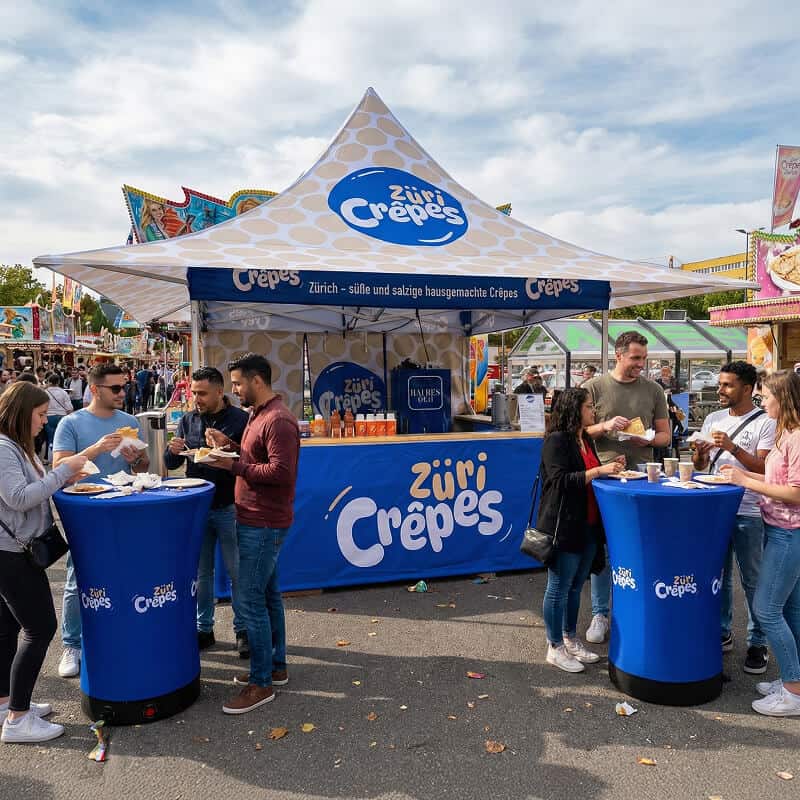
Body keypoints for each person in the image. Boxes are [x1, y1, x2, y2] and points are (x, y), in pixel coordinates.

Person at [204, 353, 300, 714]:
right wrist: (229, 447)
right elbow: (256, 459)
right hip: (254, 518)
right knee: (268, 595)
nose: (235, 390)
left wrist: (233, 465)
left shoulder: (279, 420)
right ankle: (275, 667)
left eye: (239, 384)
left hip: (263, 522)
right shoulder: (257, 415)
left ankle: (261, 683)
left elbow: (280, 472)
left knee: (249, 601)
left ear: (257, 381)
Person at [0, 382, 87, 743]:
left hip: (13, 550)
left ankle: (8, 702)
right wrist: (64, 473)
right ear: (22, 414)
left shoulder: (19, 447)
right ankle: (18, 719)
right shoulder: (5, 448)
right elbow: (19, 498)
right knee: (39, 629)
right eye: (39, 416)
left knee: (7, 628)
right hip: (11, 552)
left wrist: (62, 476)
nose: (43, 422)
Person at [52, 363, 150, 679]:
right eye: (116, 388)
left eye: (126, 387)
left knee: (126, 571)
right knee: (77, 575)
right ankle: (72, 644)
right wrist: (96, 449)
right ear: (95, 389)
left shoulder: (130, 421)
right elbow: (59, 467)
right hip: (85, 508)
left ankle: (120, 632)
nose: (124, 393)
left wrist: (139, 459)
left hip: (124, 506)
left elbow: (143, 466)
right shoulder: (71, 423)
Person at [583, 331, 671, 644]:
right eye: (635, 358)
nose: (640, 364)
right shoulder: (593, 387)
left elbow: (664, 437)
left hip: (644, 480)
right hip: (604, 481)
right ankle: (600, 614)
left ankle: (637, 609)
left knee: (642, 547)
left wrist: (642, 439)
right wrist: (605, 426)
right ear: (618, 355)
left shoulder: (654, 390)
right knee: (604, 549)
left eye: (643, 359)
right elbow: (579, 432)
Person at [721, 370, 800, 717]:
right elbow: (773, 477)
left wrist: (744, 480)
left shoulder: (796, 439)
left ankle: (793, 690)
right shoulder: (787, 434)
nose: (761, 401)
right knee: (790, 610)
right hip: (779, 530)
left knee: (767, 609)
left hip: (788, 533)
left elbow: (795, 493)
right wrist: (741, 475)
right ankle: (792, 681)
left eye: (766, 396)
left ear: (783, 399)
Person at [693, 362, 775, 674]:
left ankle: (758, 642)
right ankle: (723, 630)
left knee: (753, 579)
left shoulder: (766, 422)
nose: (720, 390)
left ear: (747, 387)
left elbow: (764, 469)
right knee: (719, 576)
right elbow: (702, 467)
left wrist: (732, 447)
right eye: (720, 384)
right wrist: (700, 452)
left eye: (727, 385)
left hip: (750, 511)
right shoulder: (713, 418)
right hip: (714, 509)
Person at [537, 388, 625, 672]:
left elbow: (590, 473)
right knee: (559, 587)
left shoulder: (584, 438)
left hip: (588, 523)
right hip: (564, 524)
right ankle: (554, 646)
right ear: (573, 410)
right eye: (589, 407)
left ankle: (569, 638)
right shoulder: (557, 440)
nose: (593, 412)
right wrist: (600, 471)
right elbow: (560, 480)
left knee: (575, 585)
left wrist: (610, 469)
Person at [164, 367, 248, 655]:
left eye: (201, 393)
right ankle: (204, 629)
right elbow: (173, 463)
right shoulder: (188, 419)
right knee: (202, 573)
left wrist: (229, 446)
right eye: (193, 392)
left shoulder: (240, 419)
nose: (196, 398)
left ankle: (243, 629)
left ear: (218, 391)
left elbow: (250, 459)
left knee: (238, 572)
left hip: (229, 505)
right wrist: (173, 450)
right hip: (197, 507)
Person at [43, 374, 73, 465]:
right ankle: (59, 459)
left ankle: (50, 459)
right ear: (59, 382)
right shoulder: (63, 392)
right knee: (61, 439)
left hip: (48, 417)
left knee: (50, 438)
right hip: (61, 417)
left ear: (49, 381)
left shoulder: (45, 392)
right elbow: (69, 407)